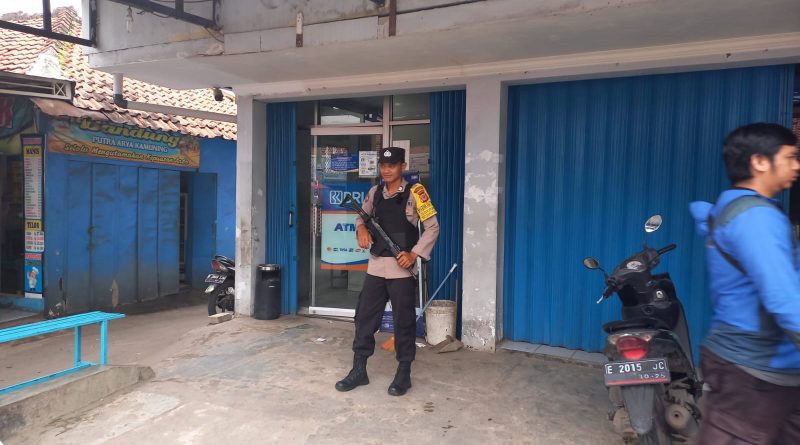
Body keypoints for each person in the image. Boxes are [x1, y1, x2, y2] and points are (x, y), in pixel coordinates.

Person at [689, 123, 800, 444]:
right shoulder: (756, 217)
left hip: (771, 367)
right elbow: (783, 298)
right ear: (760, 162)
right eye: (791, 157)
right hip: (756, 369)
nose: (796, 165)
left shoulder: (733, 209)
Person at [335, 146, 440, 396]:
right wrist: (361, 229)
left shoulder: (416, 193)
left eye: (392, 165)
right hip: (376, 266)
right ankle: (359, 370)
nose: (386, 170)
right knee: (364, 318)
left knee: (404, 322)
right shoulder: (375, 192)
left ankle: (404, 373)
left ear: (403, 166)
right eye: (383, 165)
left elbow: (433, 228)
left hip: (401, 270)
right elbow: (361, 217)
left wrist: (414, 254)